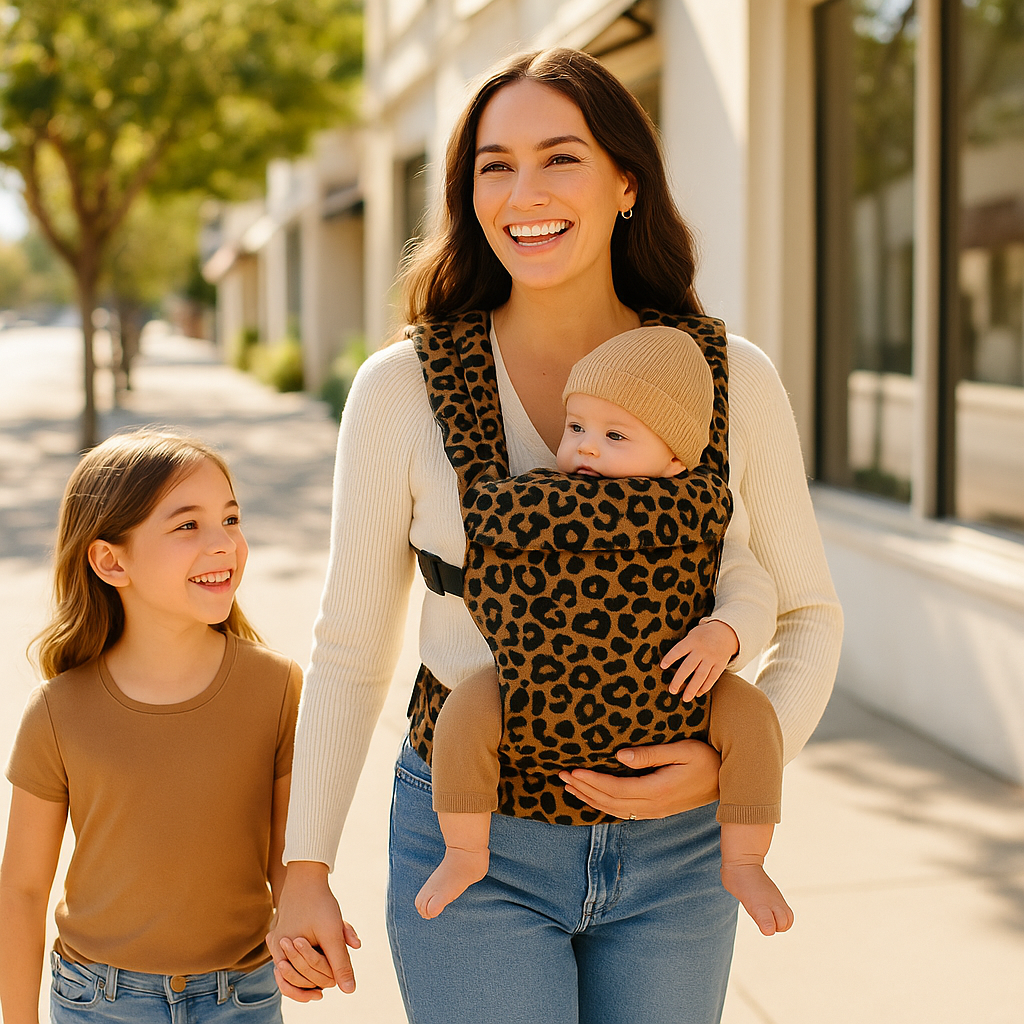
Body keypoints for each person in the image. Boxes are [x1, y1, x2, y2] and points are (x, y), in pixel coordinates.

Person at [269, 47, 842, 1024]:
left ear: (627, 181)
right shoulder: (401, 389)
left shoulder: (727, 376)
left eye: (559, 157)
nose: (522, 191)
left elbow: (806, 615)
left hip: (682, 851)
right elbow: (350, 648)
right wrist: (304, 864)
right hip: (470, 838)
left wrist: (739, 761)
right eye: (494, 164)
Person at [416, 324, 792, 939]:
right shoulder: (543, 501)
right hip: (535, 685)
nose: (586, 449)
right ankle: (465, 848)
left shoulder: (699, 515)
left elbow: (752, 587)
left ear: (676, 456)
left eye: (616, 435)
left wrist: (723, 634)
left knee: (752, 721)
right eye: (576, 428)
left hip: (676, 686)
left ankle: (745, 859)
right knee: (465, 715)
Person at [0, 429, 326, 1024]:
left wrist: (301, 940)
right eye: (187, 526)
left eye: (230, 519)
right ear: (110, 560)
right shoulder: (57, 711)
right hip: (98, 1002)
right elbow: (22, 889)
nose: (223, 544)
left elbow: (289, 860)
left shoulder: (277, 687)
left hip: (243, 998)